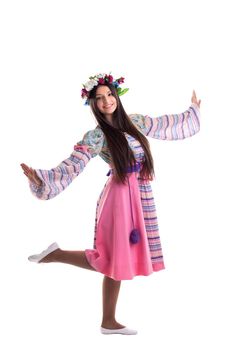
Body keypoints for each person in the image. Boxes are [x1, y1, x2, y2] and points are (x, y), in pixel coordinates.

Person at [20, 73, 201, 335]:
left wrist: (193, 111)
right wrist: (41, 177)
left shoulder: (135, 122)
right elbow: (73, 165)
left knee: (119, 260)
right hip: (118, 197)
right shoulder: (96, 137)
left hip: (138, 194)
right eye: (99, 98)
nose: (106, 101)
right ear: (93, 104)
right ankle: (56, 256)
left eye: (109, 95)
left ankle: (108, 321)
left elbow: (167, 125)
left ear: (117, 96)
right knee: (113, 258)